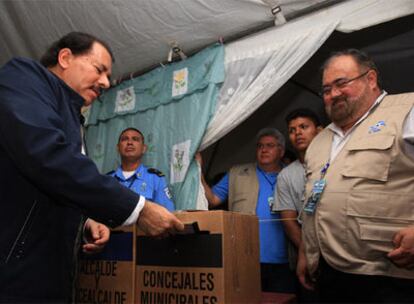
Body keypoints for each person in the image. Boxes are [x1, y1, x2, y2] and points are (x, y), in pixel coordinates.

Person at [0, 32, 184, 303]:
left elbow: (49, 188)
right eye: (100, 70)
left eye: (108, 76)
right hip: (13, 274)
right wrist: (139, 209)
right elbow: (48, 158)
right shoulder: (24, 76)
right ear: (65, 57)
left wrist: (83, 222)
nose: (106, 82)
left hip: (50, 275)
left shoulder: (73, 115)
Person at [297, 48, 414, 303]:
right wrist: (306, 252)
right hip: (329, 274)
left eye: (341, 83)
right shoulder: (319, 141)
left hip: (391, 277)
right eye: (326, 90)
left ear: (370, 79)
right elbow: (312, 201)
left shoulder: (407, 111)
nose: (333, 94)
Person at [197, 128, 296, 293]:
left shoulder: (294, 173)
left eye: (270, 145)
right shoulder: (237, 173)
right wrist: (199, 170)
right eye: (259, 146)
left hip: (285, 262)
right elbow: (212, 199)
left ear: (281, 151)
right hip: (245, 260)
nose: (263, 150)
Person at [273, 108, 322, 301]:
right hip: (307, 257)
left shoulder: (335, 162)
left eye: (303, 127)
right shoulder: (285, 175)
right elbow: (288, 220)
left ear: (319, 131)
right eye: (292, 130)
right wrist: (307, 252)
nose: (297, 133)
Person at [108, 127, 175, 211]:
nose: (129, 142)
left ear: (143, 148)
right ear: (118, 148)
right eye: (125, 139)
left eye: (135, 139)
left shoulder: (155, 179)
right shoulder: (107, 180)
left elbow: (167, 215)